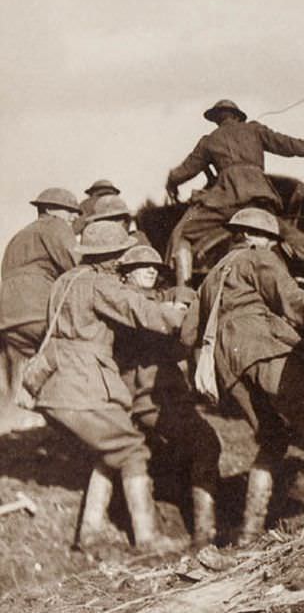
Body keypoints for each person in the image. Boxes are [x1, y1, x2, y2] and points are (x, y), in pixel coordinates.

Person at [179, 208, 304, 543]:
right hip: (264, 348)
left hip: (227, 368)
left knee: (272, 438)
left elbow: (187, 334)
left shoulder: (212, 276)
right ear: (263, 238)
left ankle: (250, 531)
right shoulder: (260, 258)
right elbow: (292, 299)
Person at [32, 221, 190, 553]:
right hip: (85, 382)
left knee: (109, 451)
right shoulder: (99, 283)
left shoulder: (64, 281)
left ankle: (89, 531)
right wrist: (176, 315)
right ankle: (148, 537)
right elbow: (138, 310)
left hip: (55, 385)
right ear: (110, 256)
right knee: (132, 449)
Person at [164, 99, 304, 285]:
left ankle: (182, 292)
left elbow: (186, 170)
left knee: (182, 234)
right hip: (261, 197)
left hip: (226, 200)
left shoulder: (209, 140)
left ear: (217, 118)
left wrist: (171, 182)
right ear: (237, 116)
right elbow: (285, 143)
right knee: (283, 230)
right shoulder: (254, 129)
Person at [114, 245, 222, 547]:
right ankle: (205, 533)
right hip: (152, 399)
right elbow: (168, 344)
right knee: (206, 443)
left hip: (154, 397)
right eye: (142, 266)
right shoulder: (134, 305)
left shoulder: (143, 300)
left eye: (155, 266)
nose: (151, 270)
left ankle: (195, 531)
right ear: (126, 273)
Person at [0, 188, 80, 407]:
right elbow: (78, 266)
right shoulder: (56, 226)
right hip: (35, 305)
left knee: (48, 363)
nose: (75, 216)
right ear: (50, 209)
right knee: (80, 352)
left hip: (7, 316)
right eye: (70, 210)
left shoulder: (21, 235)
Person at [83, 194, 152, 245]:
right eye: (105, 221)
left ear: (126, 221)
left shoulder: (138, 240)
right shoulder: (93, 244)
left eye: (116, 220)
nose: (111, 225)